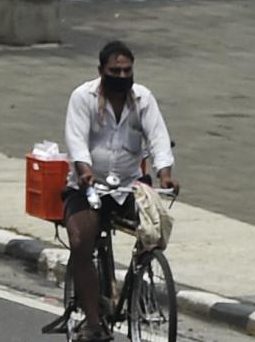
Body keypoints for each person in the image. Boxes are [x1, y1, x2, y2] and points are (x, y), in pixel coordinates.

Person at [63, 40, 179, 341]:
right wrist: (84, 170)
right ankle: (92, 321)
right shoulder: (83, 97)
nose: (122, 75)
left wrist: (164, 173)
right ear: (101, 70)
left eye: (127, 70)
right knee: (81, 241)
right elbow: (76, 140)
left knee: (154, 230)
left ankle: (138, 282)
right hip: (89, 186)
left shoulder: (143, 99)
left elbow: (158, 138)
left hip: (128, 185)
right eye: (115, 70)